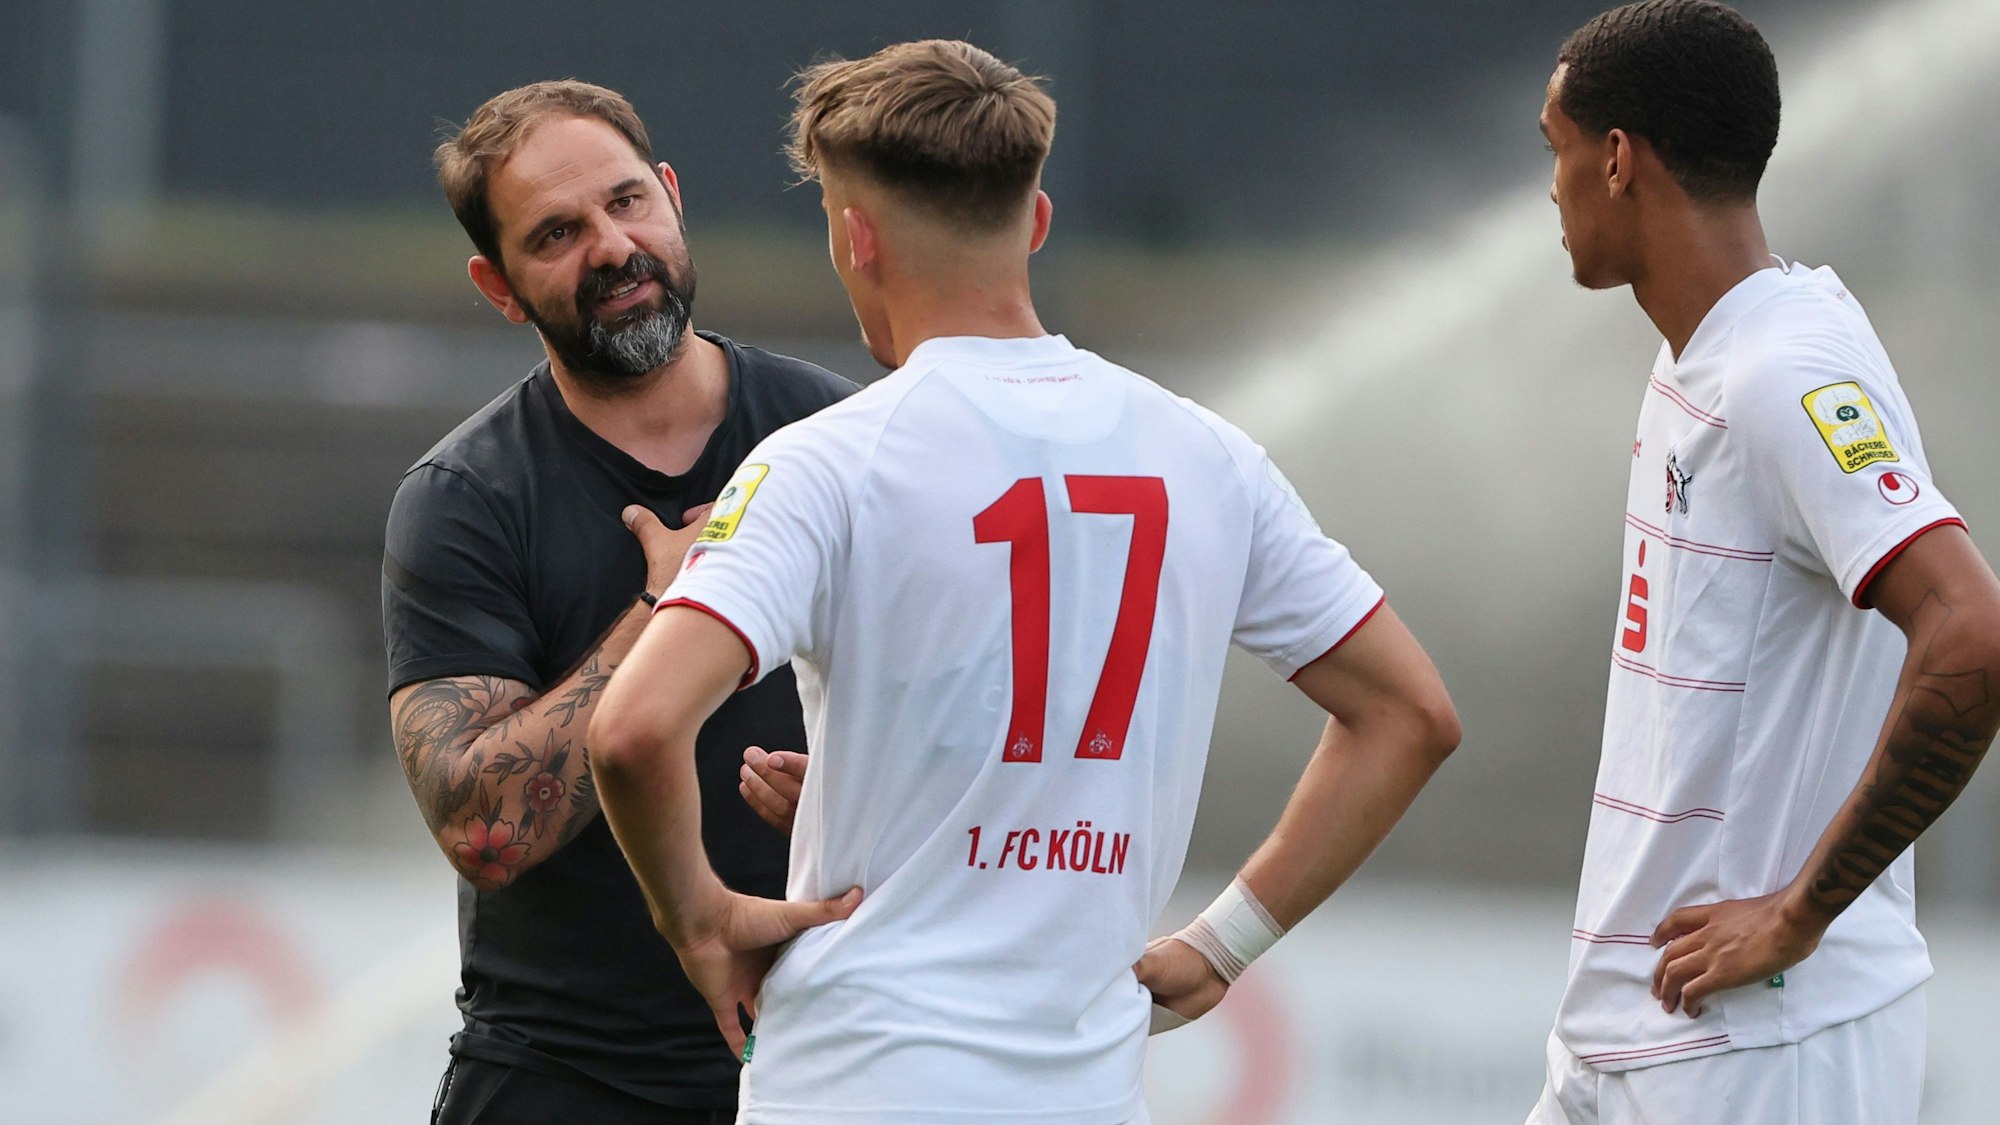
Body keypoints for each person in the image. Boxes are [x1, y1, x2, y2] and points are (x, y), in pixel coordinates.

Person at [586, 39, 1461, 1124]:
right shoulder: (1204, 455)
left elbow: (631, 732)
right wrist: (1227, 942)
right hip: (1082, 1094)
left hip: (857, 1082)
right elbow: (1408, 715)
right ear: (1034, 222)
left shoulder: (827, 461)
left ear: (854, 238)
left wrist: (700, 925)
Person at [1529, 4, 2000, 1122]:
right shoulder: (1704, 356)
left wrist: (1798, 910)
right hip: (1627, 1032)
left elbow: (1971, 630)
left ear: (1613, 160)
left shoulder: (1781, 373)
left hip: (1759, 1045)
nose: (1546, 190)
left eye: (1552, 150)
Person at [382, 80, 855, 1123]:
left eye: (626, 202)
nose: (609, 246)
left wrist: (857, 782)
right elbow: (485, 831)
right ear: (498, 286)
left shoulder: (835, 438)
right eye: (555, 233)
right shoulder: (467, 500)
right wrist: (668, 607)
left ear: (672, 199)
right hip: (571, 1077)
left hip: (829, 1058)